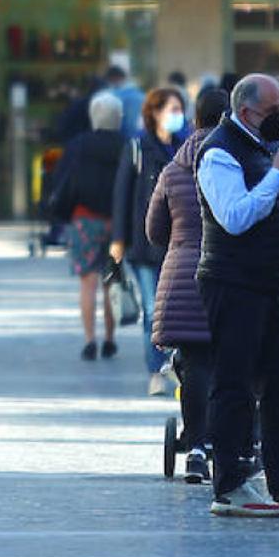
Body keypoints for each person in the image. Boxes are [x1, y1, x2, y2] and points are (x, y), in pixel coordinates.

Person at [197, 74, 279, 519]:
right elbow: (235, 217)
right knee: (234, 384)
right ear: (250, 111)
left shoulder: (262, 145)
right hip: (234, 282)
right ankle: (232, 483)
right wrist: (277, 175)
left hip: (273, 282)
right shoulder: (220, 150)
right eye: (276, 109)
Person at [146, 86, 228, 485]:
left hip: (182, 273)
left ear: (194, 117)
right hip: (228, 272)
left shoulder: (173, 167)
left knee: (194, 362)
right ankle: (230, 443)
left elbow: (153, 230)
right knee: (233, 362)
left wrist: (180, 243)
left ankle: (195, 448)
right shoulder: (237, 160)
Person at [110, 87, 185, 394]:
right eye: (172, 109)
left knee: (180, 311)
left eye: (180, 109)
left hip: (180, 243)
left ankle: (179, 368)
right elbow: (122, 194)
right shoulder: (137, 147)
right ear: (154, 113)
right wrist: (118, 238)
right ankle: (156, 370)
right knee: (154, 311)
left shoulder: (186, 145)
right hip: (144, 244)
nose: (177, 116)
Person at [48, 92, 125, 360]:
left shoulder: (78, 145)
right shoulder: (127, 145)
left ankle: (90, 339)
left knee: (88, 282)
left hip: (84, 220)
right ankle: (110, 339)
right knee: (111, 282)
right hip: (117, 223)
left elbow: (62, 180)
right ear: (118, 118)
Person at [103, 65, 144, 137]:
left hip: (122, 139)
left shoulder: (113, 96)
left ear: (112, 79)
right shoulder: (141, 95)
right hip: (141, 138)